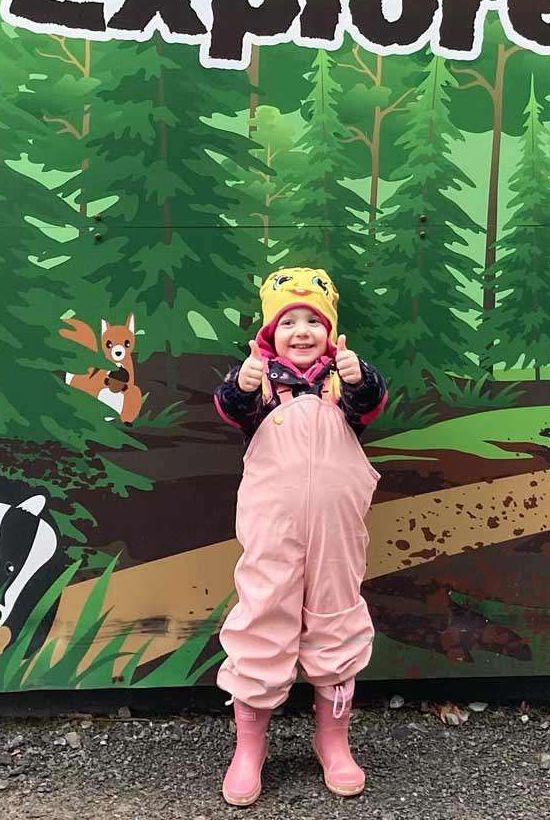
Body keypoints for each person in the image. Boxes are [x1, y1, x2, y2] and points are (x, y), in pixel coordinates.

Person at [213, 267, 387, 806]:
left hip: (337, 531)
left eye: (315, 320)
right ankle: (250, 745)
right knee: (263, 615)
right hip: (273, 528)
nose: (303, 330)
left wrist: (360, 379)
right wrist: (239, 386)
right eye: (290, 321)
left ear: (332, 332)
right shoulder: (260, 383)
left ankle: (333, 739)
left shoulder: (344, 380)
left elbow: (371, 405)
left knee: (337, 618)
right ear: (270, 333)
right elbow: (230, 409)